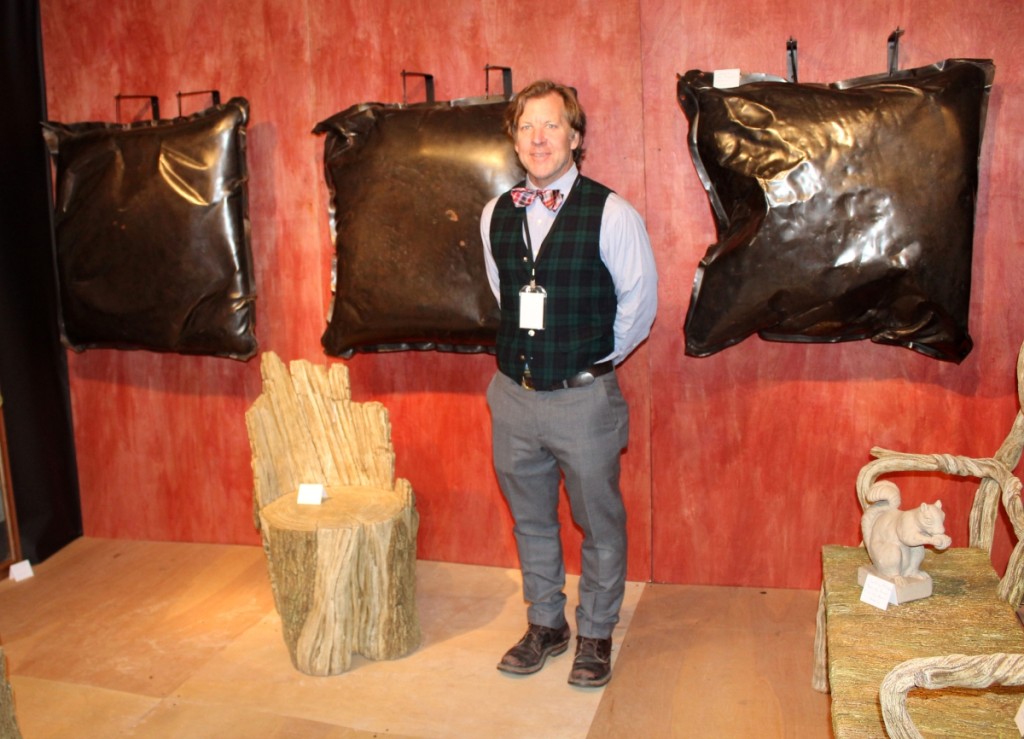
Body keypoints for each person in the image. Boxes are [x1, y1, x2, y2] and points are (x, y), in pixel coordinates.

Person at [480, 80, 658, 688]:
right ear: (515, 139)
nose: (538, 138)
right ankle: (547, 626)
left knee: (598, 522)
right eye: (527, 126)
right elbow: (505, 294)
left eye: (551, 125)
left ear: (575, 137)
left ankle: (597, 633)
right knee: (530, 520)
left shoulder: (612, 212)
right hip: (512, 396)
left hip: (583, 399)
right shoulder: (494, 214)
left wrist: (593, 361)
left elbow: (640, 305)